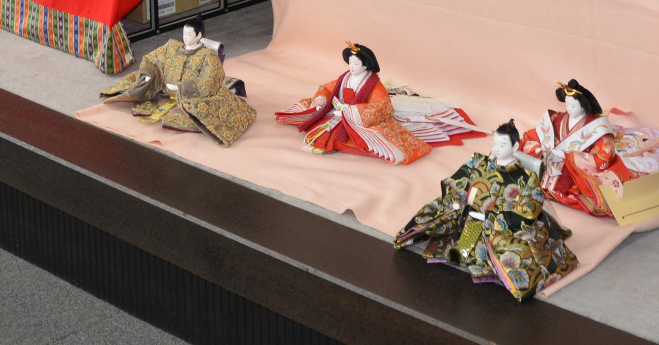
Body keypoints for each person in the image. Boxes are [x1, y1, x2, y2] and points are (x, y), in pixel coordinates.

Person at [394, 122, 578, 303]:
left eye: (502, 144)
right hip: (467, 217)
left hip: (499, 226)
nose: (496, 148)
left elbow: (528, 209)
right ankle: (460, 246)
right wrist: (457, 201)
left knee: (519, 254)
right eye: (495, 143)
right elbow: (456, 182)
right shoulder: (478, 161)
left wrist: (490, 217)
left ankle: (482, 256)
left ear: (515, 146)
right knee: (437, 214)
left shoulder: (527, 178)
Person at [274, 43, 483, 164]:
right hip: (339, 112)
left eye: (356, 63)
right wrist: (321, 101)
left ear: (366, 65)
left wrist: (352, 111)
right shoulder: (345, 77)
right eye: (350, 63)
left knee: (353, 138)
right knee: (315, 121)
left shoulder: (373, 84)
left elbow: (382, 106)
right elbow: (327, 88)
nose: (352, 66)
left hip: (355, 116)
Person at [98, 17, 256, 146]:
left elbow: (211, 78)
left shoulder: (208, 56)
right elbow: (153, 59)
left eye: (189, 34)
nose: (185, 37)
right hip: (163, 92)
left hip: (191, 95)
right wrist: (149, 74)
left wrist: (183, 87)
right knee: (136, 84)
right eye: (184, 34)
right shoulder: (172, 47)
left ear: (199, 36)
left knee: (208, 110)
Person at [517, 80, 639, 218]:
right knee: (525, 163)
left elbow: (605, 155)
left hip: (573, 174)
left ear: (583, 105)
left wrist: (570, 158)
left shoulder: (598, 127)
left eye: (573, 105)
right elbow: (537, 135)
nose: (569, 108)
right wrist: (538, 148)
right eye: (567, 104)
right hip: (549, 166)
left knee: (595, 200)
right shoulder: (558, 118)